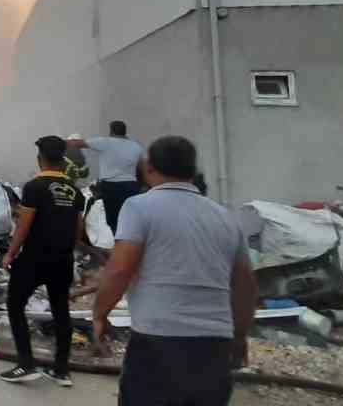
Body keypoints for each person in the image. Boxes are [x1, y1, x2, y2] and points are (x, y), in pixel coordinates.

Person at [92, 136, 256, 406]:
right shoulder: (225, 217)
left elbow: (120, 270)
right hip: (214, 344)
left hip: (158, 340)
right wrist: (239, 335)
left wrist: (100, 314)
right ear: (192, 171)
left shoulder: (139, 207)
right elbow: (245, 285)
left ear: (149, 169)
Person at [0, 135, 86, 387]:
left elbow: (23, 226)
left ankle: (26, 364)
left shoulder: (34, 187)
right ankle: (61, 371)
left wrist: (10, 253)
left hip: (35, 257)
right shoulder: (75, 190)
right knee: (61, 311)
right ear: (63, 160)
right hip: (63, 259)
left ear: (40, 159)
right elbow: (78, 230)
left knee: (15, 306)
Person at [67, 120, 144, 233]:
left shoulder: (105, 142)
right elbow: (141, 168)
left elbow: (77, 143)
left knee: (113, 220)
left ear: (111, 131)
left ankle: (117, 241)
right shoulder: (136, 146)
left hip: (111, 186)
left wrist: (57, 143)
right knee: (131, 219)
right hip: (131, 186)